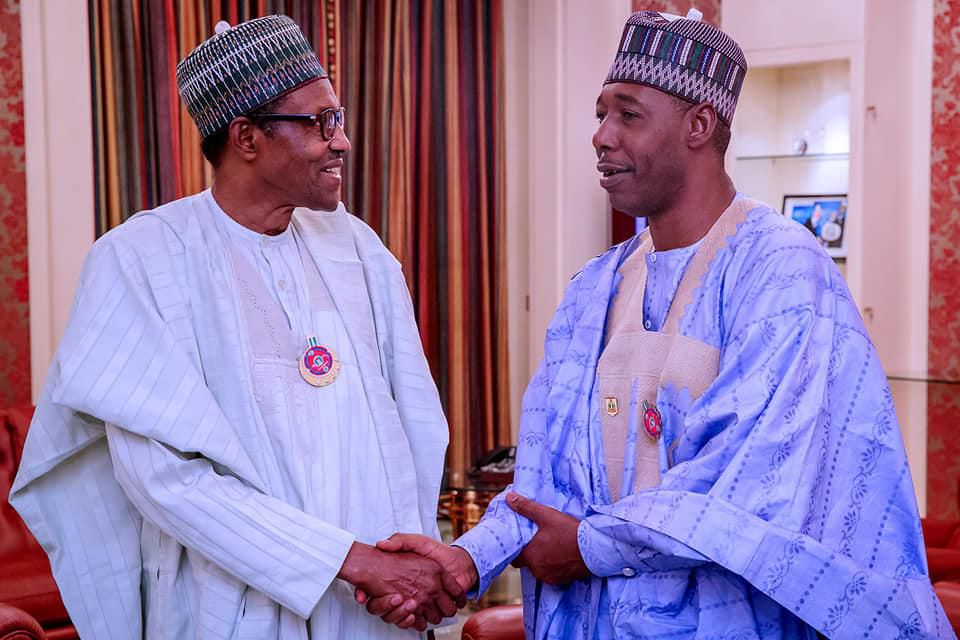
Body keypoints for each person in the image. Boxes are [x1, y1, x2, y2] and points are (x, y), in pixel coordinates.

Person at [363, 9, 954, 639]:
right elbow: (545, 480)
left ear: (699, 124)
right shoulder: (597, 285)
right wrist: (466, 559)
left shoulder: (781, 270)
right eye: (600, 114)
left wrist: (589, 546)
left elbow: (746, 489)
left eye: (629, 114)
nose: (601, 135)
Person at [10, 15, 463, 639]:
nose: (342, 141)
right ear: (246, 137)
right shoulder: (141, 258)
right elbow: (164, 478)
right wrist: (347, 561)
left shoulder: (355, 247)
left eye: (339, 117)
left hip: (372, 608)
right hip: (228, 605)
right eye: (318, 122)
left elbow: (413, 426)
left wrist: (411, 567)